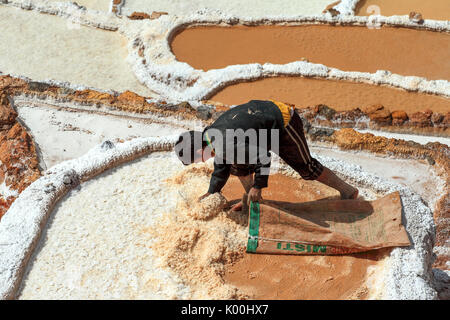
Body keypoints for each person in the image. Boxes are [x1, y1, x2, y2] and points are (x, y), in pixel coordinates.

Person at [174, 99, 358, 211]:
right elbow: (221, 167)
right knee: (238, 167)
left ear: (200, 151)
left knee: (307, 168)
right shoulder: (210, 136)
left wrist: (258, 186)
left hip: (282, 121)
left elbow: (263, 157)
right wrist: (212, 192)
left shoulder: (225, 145)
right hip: (258, 126)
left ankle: (348, 191)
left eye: (195, 160)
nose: (198, 162)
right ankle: (255, 204)